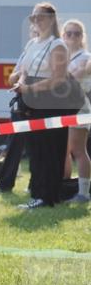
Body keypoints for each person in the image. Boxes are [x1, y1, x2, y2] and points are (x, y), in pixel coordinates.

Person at [12, 3, 81, 209]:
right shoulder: (32, 43)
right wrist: (21, 84)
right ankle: (38, 194)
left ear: (51, 19)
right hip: (32, 102)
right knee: (36, 150)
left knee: (50, 150)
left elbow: (58, 79)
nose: (36, 21)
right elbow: (23, 69)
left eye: (40, 17)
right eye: (33, 17)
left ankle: (48, 196)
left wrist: (28, 89)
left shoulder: (57, 45)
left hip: (52, 103)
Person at [63, 19, 91, 203]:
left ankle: (83, 193)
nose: (73, 36)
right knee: (64, 150)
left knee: (78, 150)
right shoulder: (63, 56)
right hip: (64, 108)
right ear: (63, 36)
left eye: (77, 33)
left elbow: (73, 80)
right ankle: (63, 186)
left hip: (79, 107)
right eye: (69, 33)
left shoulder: (86, 57)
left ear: (83, 37)